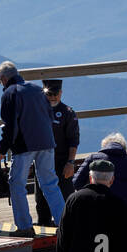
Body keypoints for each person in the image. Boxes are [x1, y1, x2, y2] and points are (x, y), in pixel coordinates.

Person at [0, 60, 63, 237]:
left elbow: (9, 126)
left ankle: (25, 226)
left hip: (24, 144)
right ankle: (65, 223)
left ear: (3, 79)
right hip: (47, 142)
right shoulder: (37, 89)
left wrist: (2, 150)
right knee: (50, 183)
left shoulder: (10, 93)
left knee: (17, 184)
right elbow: (49, 115)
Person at [35, 79, 79, 227]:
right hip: (41, 162)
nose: (53, 97)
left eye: (56, 93)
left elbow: (73, 140)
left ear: (61, 93)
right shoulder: (37, 110)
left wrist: (70, 162)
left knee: (66, 199)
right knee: (41, 203)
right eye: (49, 94)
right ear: (44, 93)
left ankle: (67, 230)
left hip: (61, 162)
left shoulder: (68, 113)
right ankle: (44, 230)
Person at [72, 133, 127, 215]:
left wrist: (88, 196)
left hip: (95, 208)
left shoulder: (92, 159)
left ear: (104, 146)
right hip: (123, 210)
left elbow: (76, 182)